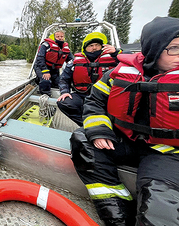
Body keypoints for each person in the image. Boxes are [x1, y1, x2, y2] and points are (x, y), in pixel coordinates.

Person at [70, 16, 179, 226]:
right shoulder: (118, 74)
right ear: (154, 49)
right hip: (125, 142)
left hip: (166, 154)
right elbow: (94, 101)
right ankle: (118, 214)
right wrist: (100, 130)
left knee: (159, 215)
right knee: (82, 138)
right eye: (173, 48)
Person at [56, 32, 120, 126]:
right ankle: (87, 124)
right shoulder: (74, 62)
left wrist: (117, 52)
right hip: (82, 95)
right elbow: (64, 79)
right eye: (90, 45)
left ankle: (108, 126)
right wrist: (64, 92)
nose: (94, 48)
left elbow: (132, 61)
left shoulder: (114, 58)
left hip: (105, 98)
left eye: (97, 45)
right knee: (64, 102)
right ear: (85, 48)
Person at [34, 30, 73, 96]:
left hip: (55, 69)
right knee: (45, 81)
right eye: (57, 36)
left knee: (59, 83)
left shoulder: (65, 47)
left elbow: (71, 60)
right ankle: (44, 97)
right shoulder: (46, 45)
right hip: (42, 66)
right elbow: (40, 58)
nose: (60, 38)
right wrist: (45, 70)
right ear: (54, 37)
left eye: (61, 36)